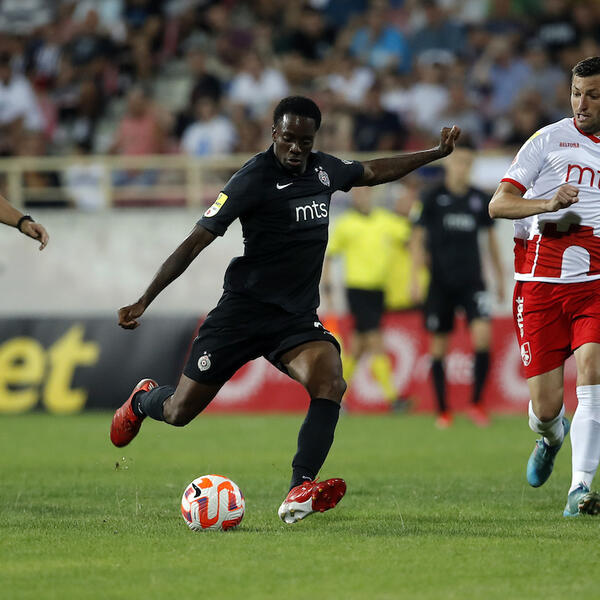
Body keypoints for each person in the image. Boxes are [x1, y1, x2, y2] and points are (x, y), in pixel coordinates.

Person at [110, 96, 460, 524]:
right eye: (289, 138)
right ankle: (143, 400)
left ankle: (299, 488)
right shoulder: (251, 179)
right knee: (178, 412)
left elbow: (371, 171)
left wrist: (434, 153)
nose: (296, 148)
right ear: (274, 133)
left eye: (305, 141)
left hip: (293, 319)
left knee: (330, 380)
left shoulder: (323, 169)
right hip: (241, 313)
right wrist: (145, 298)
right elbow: (196, 241)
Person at [489, 56, 600, 517]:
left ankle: (580, 489)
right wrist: (549, 201)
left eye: (593, 94)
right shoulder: (548, 139)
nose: (583, 103)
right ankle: (551, 436)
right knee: (547, 406)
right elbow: (499, 204)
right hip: (539, 287)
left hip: (594, 284)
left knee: (593, 371)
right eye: (577, 93)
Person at [410, 137, 504, 429]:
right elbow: (417, 239)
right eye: (458, 161)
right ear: (449, 162)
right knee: (438, 348)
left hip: (473, 282)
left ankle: (476, 404)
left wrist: (500, 276)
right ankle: (443, 411)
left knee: (483, 338)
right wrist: (414, 277)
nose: (462, 167)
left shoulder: (479, 199)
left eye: (467, 162)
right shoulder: (431, 197)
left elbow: (490, 241)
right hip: (440, 283)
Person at [322, 186, 411, 411]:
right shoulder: (346, 224)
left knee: (359, 347)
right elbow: (330, 256)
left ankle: (336, 397)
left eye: (366, 192)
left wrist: (412, 208)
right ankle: (393, 399)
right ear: (353, 196)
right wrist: (328, 286)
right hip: (358, 289)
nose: (362, 196)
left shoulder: (385, 220)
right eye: (358, 192)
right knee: (375, 341)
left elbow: (410, 235)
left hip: (379, 291)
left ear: (372, 195)